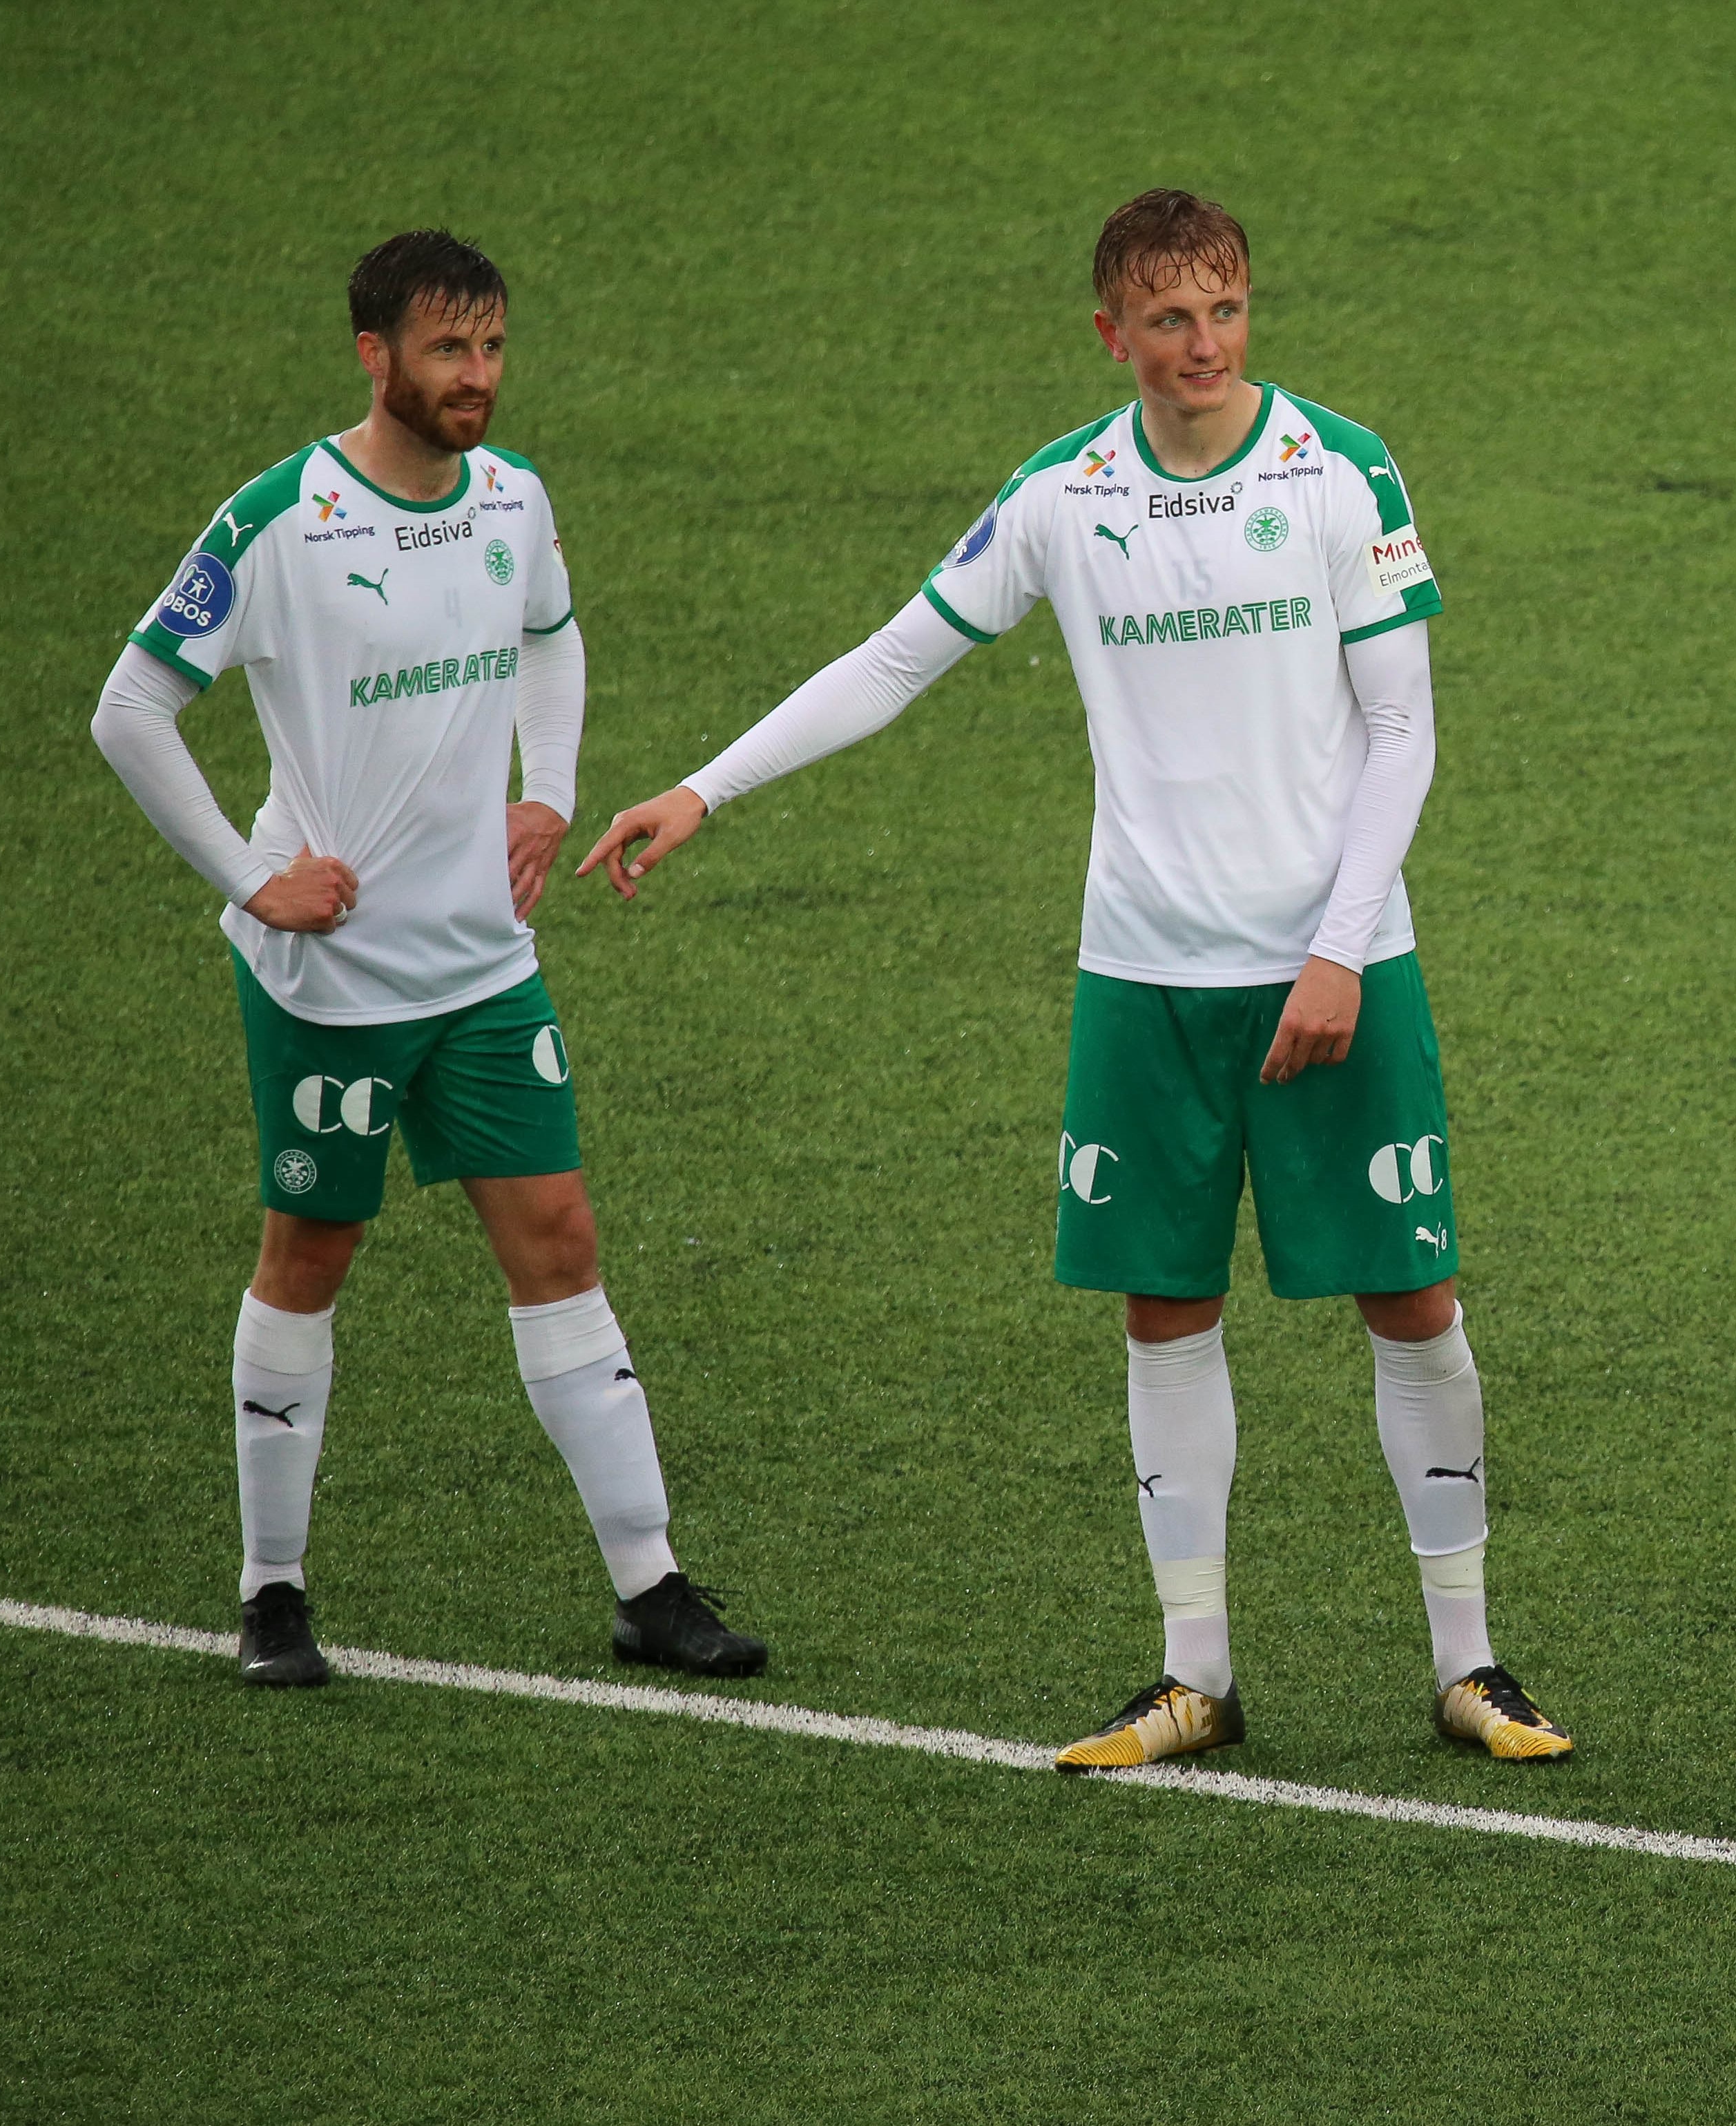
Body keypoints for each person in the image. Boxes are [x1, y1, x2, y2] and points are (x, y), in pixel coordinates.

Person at [577, 189, 1567, 1768]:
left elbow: (1403, 727)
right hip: (1147, 975)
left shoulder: (1339, 467)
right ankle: (1196, 1677)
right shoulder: (1064, 495)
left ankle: (1472, 1663)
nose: (1205, 347)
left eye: (1227, 311)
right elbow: (899, 655)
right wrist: (707, 788)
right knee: (1164, 1312)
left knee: (1411, 1293)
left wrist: (1337, 945)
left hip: (1339, 966)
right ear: (1112, 333)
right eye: (1169, 321)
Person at [90, 231, 762, 1687]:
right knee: (310, 1256)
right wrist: (255, 878)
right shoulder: (278, 520)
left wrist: (551, 788)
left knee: (562, 1240)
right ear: (373, 355)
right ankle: (273, 1591)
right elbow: (130, 709)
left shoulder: (514, 500)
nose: (479, 377)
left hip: (483, 972)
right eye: (450, 350)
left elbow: (554, 641)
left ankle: (648, 1585)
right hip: (332, 985)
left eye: (496, 347)